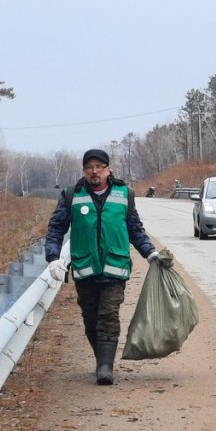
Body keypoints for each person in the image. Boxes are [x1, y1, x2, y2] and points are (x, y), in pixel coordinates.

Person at [45, 148, 159, 385]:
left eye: (99, 167)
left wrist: (150, 253)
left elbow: (135, 229)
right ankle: (101, 360)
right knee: (90, 319)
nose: (94, 171)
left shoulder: (124, 195)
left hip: (114, 269)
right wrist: (53, 257)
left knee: (108, 315)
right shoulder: (71, 196)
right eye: (90, 167)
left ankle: (105, 368)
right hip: (85, 270)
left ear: (109, 170)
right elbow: (56, 228)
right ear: (84, 171)